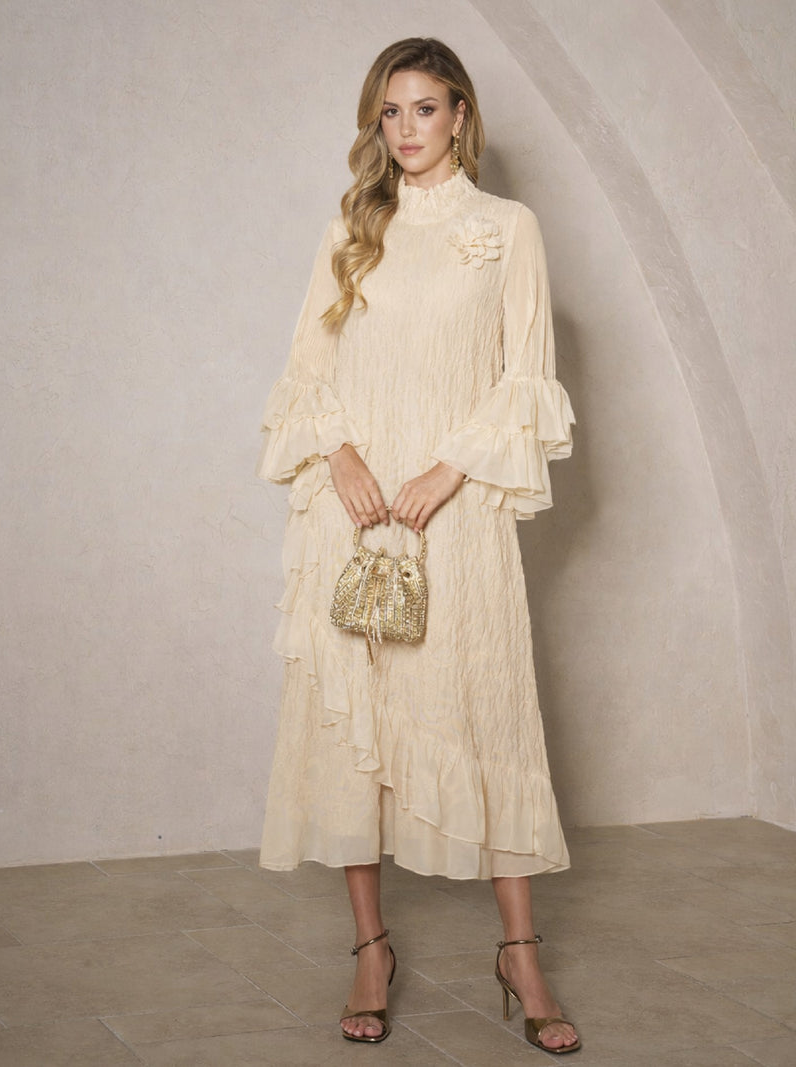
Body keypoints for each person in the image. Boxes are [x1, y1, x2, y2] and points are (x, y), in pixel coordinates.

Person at [256, 37, 580, 1053]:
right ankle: (371, 948)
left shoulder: (507, 228)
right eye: (389, 112)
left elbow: (524, 374)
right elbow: (307, 370)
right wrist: (343, 456)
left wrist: (449, 472)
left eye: (425, 109)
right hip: (353, 507)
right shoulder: (351, 228)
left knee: (485, 709)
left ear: (460, 116)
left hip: (455, 506)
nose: (405, 129)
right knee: (355, 726)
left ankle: (519, 954)